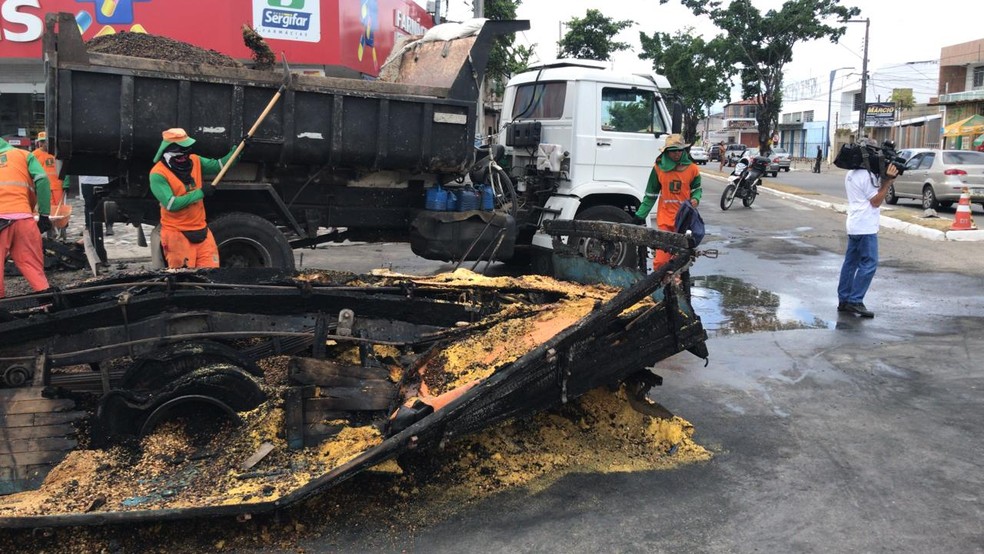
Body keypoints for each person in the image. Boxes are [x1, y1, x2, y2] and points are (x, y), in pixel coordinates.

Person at [150, 128, 241, 269]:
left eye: (187, 152)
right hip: (177, 235)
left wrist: (238, 150)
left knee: (211, 273)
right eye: (181, 153)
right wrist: (200, 193)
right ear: (168, 151)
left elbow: (220, 166)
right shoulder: (158, 174)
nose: (186, 157)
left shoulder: (195, 160)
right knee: (182, 280)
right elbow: (171, 204)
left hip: (201, 230)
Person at [837, 139, 900, 318]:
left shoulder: (851, 173)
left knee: (850, 263)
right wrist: (888, 181)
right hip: (865, 227)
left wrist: (882, 176)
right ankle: (855, 300)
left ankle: (844, 300)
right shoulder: (866, 176)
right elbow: (876, 201)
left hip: (855, 224)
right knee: (869, 263)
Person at [633, 134, 702, 270]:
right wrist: (639, 216)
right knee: (661, 261)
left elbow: (697, 189)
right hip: (665, 219)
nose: (676, 153)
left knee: (680, 260)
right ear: (666, 151)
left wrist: (695, 198)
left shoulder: (692, 169)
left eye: (679, 150)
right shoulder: (658, 168)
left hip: (684, 219)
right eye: (673, 150)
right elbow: (651, 195)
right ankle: (660, 287)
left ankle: (677, 286)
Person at [0, 136, 52, 297]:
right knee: (33, 266)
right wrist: (44, 215)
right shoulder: (24, 155)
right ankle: (48, 303)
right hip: (24, 219)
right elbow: (43, 179)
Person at [31, 131, 70, 239]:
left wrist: (66, 182)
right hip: (44, 188)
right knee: (47, 210)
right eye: (41, 142)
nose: (43, 144)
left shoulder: (57, 153)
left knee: (61, 210)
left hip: (58, 186)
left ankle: (63, 229)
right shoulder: (34, 155)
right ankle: (50, 231)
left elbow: (65, 167)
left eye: (45, 141)